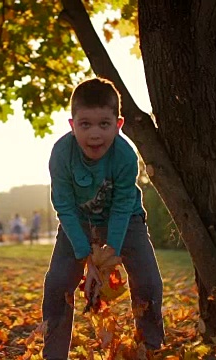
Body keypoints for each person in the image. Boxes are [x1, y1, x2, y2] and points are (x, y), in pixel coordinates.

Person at [42, 77, 164, 359]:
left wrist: (109, 256)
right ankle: (54, 354)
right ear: (72, 125)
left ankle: (152, 348)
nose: (94, 134)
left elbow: (122, 206)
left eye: (104, 124)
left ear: (118, 125)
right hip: (78, 221)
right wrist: (86, 256)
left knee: (148, 281)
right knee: (58, 283)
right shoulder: (62, 154)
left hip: (125, 220)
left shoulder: (124, 155)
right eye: (85, 124)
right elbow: (63, 205)